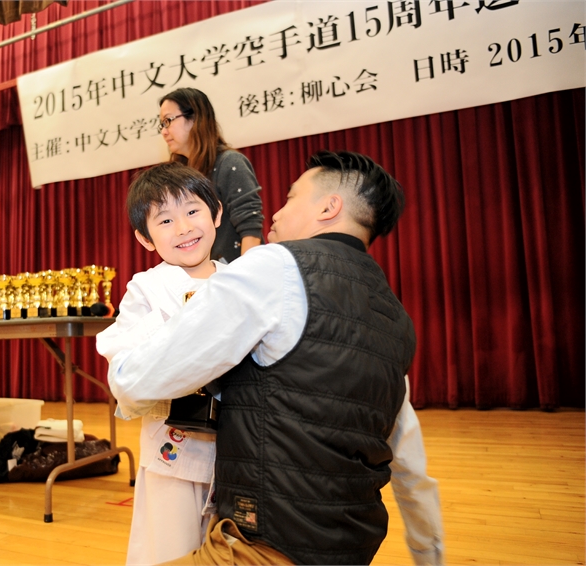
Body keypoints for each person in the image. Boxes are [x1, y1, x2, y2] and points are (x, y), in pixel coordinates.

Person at [107, 151, 444, 565]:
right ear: (145, 238)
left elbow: (131, 380)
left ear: (328, 207)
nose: (275, 213)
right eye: (165, 221)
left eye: (289, 197)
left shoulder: (267, 268)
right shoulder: (392, 315)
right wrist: (428, 551)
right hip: (342, 536)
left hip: (261, 526)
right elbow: (407, 452)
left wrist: (127, 382)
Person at [96, 162, 227, 565]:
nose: (183, 228)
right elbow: (123, 364)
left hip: (234, 451)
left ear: (217, 214)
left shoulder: (238, 280)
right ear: (145, 238)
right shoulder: (147, 288)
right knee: (167, 550)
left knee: (227, 549)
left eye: (193, 211)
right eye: (165, 220)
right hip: (173, 450)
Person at [159, 87, 264, 263]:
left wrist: (245, 275)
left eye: (168, 120)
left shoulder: (230, 163)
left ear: (195, 119)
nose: (164, 131)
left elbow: (251, 231)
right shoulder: (180, 176)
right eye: (162, 124)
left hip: (235, 273)